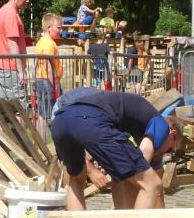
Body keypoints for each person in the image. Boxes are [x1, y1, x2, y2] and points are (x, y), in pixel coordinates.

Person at [50, 87, 181, 210]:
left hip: (60, 121)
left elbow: (125, 172)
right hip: (88, 118)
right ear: (173, 133)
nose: (163, 154)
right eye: (169, 149)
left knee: (77, 178)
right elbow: (142, 159)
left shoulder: (139, 125)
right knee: (152, 184)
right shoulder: (161, 126)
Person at [0, 0, 32, 102]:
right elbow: (12, 43)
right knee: (20, 107)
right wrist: (21, 71)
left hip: (2, 67)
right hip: (11, 69)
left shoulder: (2, 11)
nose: (27, 1)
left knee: (5, 107)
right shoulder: (11, 14)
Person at [33, 13, 62, 121]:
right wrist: (55, 84)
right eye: (58, 28)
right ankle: (44, 132)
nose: (60, 31)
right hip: (47, 81)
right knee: (46, 114)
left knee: (43, 113)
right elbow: (48, 66)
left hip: (44, 80)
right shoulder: (47, 43)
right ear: (49, 28)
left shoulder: (43, 41)